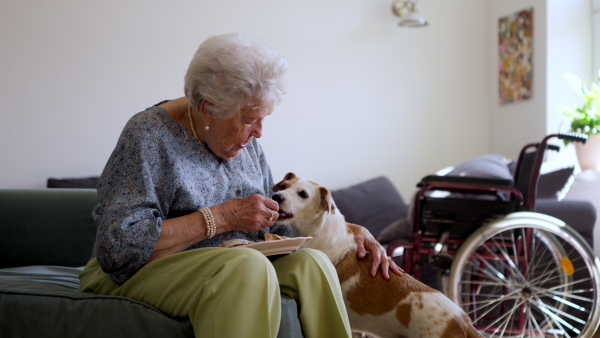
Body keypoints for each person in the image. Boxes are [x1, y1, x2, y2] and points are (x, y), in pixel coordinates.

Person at [79, 32, 402, 338]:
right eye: (249, 120)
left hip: (233, 263)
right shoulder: (148, 136)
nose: (259, 132)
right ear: (208, 108)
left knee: (311, 263)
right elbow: (119, 248)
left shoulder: (244, 143)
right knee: (246, 264)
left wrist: (348, 230)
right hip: (134, 273)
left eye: (263, 119)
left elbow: (274, 225)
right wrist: (220, 218)